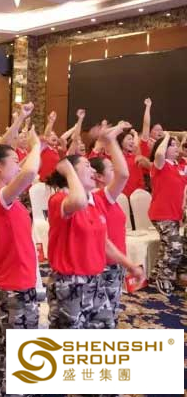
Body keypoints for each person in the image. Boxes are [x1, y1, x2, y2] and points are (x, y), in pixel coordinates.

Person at [0, 126, 41, 397]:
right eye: (14, 161)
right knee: (21, 357)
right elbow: (30, 173)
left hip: (8, 282)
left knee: (4, 350)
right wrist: (36, 145)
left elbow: (25, 172)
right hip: (15, 286)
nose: (19, 165)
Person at [46, 155, 144, 329]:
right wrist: (68, 171)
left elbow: (104, 242)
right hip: (70, 283)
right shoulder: (60, 199)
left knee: (105, 328)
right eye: (87, 166)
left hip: (95, 280)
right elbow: (78, 201)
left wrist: (130, 265)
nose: (92, 170)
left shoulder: (96, 201)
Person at [89, 121, 131, 326]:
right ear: (99, 177)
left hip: (114, 263)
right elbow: (124, 174)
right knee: (103, 318)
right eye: (110, 170)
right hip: (105, 265)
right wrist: (111, 140)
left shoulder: (101, 197)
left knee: (106, 314)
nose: (115, 173)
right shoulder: (101, 196)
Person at [148, 132, 187, 296]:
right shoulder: (160, 165)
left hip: (175, 214)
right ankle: (163, 277)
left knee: (166, 246)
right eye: (172, 145)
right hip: (161, 213)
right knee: (175, 247)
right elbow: (158, 154)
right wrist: (166, 137)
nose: (176, 147)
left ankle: (154, 275)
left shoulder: (179, 167)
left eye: (176, 145)